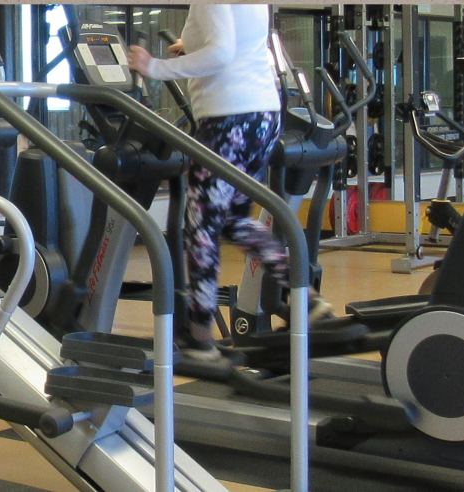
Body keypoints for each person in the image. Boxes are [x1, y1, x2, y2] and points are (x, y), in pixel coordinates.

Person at [127, 5, 329, 362]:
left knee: (200, 227)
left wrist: (153, 68)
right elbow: (234, 41)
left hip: (228, 120)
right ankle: (307, 300)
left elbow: (221, 54)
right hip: (263, 116)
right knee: (235, 220)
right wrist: (188, 47)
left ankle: (201, 337)